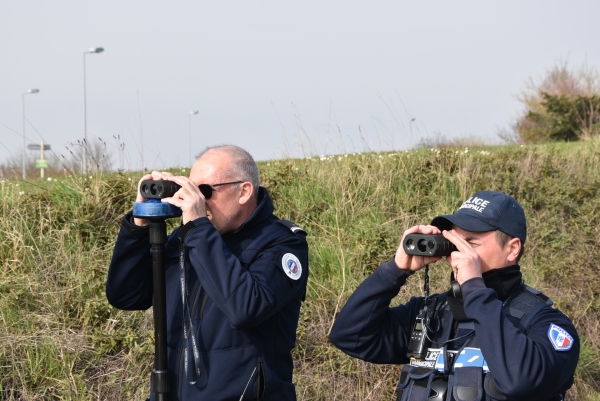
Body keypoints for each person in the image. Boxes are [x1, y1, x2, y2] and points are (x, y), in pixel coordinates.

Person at [330, 190, 579, 401]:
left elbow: (519, 380)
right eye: (456, 241)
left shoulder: (547, 324)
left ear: (512, 248)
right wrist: (394, 270)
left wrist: (474, 287)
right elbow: (351, 336)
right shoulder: (431, 314)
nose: (458, 252)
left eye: (471, 242)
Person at [106, 145, 309, 401]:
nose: (197, 201)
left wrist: (198, 229)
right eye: (190, 189)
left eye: (203, 191)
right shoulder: (188, 238)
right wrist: (140, 224)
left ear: (244, 191)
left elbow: (245, 308)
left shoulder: (281, 244)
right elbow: (126, 296)